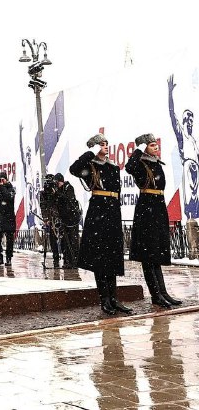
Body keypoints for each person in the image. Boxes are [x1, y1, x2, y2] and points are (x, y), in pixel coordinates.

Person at [70, 133, 130, 315]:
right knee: (100, 258)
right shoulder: (90, 165)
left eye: (106, 144)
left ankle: (114, 298)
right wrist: (90, 153)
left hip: (112, 212)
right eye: (101, 144)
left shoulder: (113, 167)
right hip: (98, 212)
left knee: (112, 257)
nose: (105, 146)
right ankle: (104, 299)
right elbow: (74, 169)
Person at [126, 133, 182, 308]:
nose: (156, 148)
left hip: (157, 208)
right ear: (145, 148)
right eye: (151, 145)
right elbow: (129, 167)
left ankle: (163, 292)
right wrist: (137, 150)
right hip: (146, 210)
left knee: (156, 254)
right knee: (148, 255)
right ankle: (155, 295)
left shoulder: (156, 164)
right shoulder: (140, 164)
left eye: (156, 145)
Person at [167, 76, 198, 219]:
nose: (191, 123)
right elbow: (172, 115)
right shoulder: (182, 135)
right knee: (189, 204)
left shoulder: (193, 140)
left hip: (196, 169)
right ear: (185, 120)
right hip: (187, 167)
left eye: (192, 120)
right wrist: (170, 93)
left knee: (197, 204)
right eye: (189, 120)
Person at [54, 173, 80, 269]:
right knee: (64, 241)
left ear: (61, 181)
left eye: (57, 183)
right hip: (64, 219)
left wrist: (57, 193)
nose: (57, 185)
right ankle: (67, 260)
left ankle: (74, 261)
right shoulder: (59, 190)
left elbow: (68, 200)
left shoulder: (69, 188)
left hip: (72, 220)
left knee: (72, 241)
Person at [39, 174, 61, 267]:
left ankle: (64, 256)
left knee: (61, 237)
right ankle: (55, 257)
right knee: (52, 239)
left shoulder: (57, 190)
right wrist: (45, 218)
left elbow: (59, 202)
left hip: (58, 216)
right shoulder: (43, 193)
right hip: (50, 217)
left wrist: (55, 192)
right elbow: (43, 206)